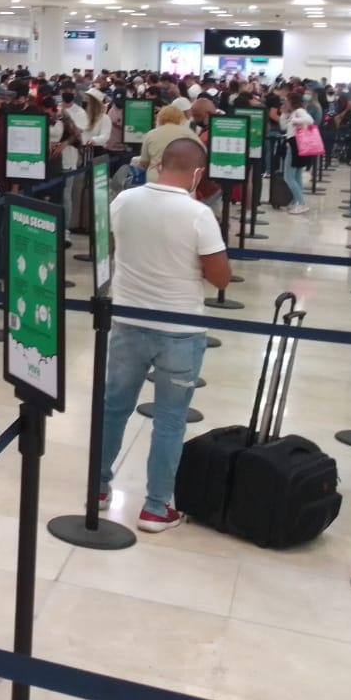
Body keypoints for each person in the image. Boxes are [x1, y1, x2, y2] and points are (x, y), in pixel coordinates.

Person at [98, 139, 229, 532]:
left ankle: (98, 488)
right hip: (180, 330)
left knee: (113, 408)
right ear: (197, 174)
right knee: (170, 420)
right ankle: (156, 507)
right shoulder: (198, 214)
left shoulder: (125, 201)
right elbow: (220, 277)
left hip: (127, 321)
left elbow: (118, 247)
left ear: (159, 164)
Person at [136, 103, 200, 183]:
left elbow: (144, 163)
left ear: (159, 118)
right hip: (181, 180)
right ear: (181, 118)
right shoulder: (189, 134)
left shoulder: (151, 134)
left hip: (155, 179)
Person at [280, 93, 316, 216]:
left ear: (291, 101)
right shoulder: (293, 112)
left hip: (295, 146)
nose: (285, 103)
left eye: (286, 100)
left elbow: (310, 120)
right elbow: (284, 127)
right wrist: (284, 114)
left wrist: (294, 120)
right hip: (296, 145)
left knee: (288, 176)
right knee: (297, 176)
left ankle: (301, 203)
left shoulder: (299, 111)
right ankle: (296, 201)